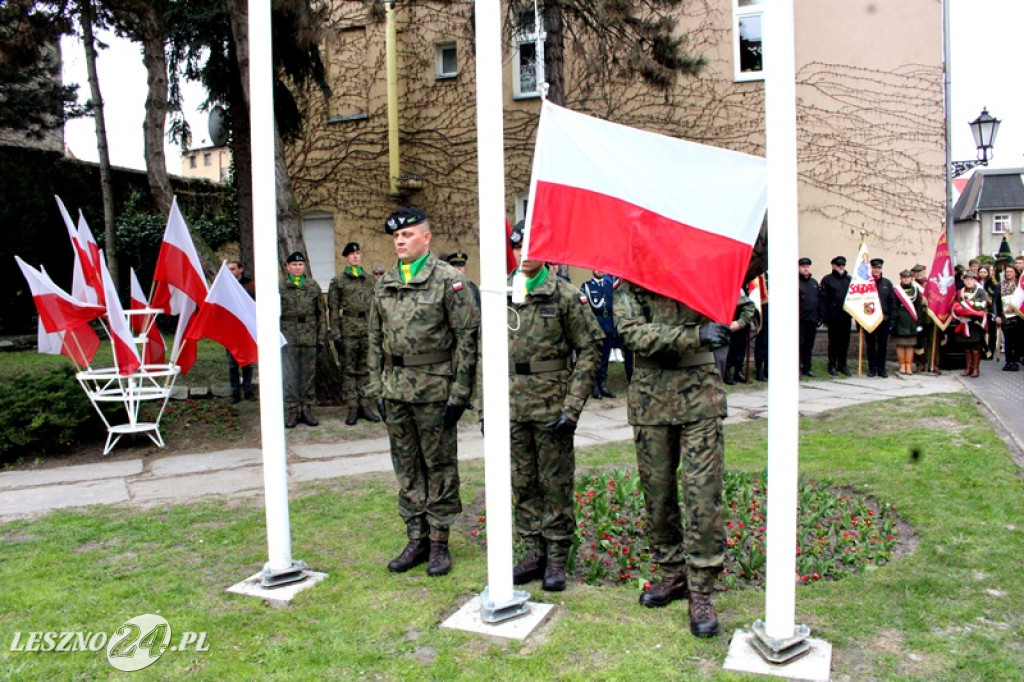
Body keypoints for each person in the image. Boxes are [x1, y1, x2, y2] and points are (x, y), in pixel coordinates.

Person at [614, 281, 735, 638]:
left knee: (702, 493)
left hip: (700, 398)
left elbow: (747, 283)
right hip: (651, 401)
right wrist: (696, 334)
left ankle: (701, 590)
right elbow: (635, 334)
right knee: (658, 494)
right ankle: (672, 574)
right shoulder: (630, 286)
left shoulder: (700, 272)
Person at [368, 207, 480, 578]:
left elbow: (467, 339)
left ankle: (438, 542)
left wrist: (460, 393)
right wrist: (376, 387)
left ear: (426, 238)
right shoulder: (384, 283)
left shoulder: (449, 281)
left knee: (440, 467)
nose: (400, 241)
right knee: (407, 467)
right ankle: (415, 538)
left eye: (408, 235)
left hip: (435, 390)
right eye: (396, 236)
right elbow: (374, 339)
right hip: (396, 390)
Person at [506, 226, 604, 591]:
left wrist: (573, 404)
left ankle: (557, 557)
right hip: (513, 406)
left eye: (531, 246)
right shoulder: (503, 291)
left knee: (555, 483)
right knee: (523, 482)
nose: (523, 253)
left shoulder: (565, 295)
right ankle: (533, 552)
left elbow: (591, 347)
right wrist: (487, 408)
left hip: (552, 405)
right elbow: (486, 350)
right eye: (517, 246)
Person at [328, 242, 380, 426]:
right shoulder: (338, 281)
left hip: (366, 328)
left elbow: (376, 306)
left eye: (358, 253)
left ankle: (365, 405)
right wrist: (336, 335)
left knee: (365, 368)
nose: (355, 256)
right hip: (348, 328)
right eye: (351, 254)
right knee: (349, 370)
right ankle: (352, 406)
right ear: (346, 257)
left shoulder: (369, 280)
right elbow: (333, 310)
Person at [280, 251, 325, 428]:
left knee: (308, 375)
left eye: (300, 265)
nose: (298, 268)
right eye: (294, 265)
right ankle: (292, 410)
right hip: (289, 337)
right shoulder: (281, 286)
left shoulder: (312, 286)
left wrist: (320, 338)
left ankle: (306, 409)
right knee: (290, 375)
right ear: (288, 267)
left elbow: (321, 313)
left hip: (309, 337)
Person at [581, 271, 618, 399]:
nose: (599, 270)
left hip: (608, 325)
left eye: (601, 268)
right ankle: (594, 386)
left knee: (605, 357)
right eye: (597, 268)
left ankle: (602, 384)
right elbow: (584, 308)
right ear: (592, 269)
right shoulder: (586, 286)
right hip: (594, 326)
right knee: (595, 357)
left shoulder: (610, 286)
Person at [951, 269, 990, 377]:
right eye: (967, 280)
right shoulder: (960, 292)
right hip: (964, 322)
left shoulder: (980, 291)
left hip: (975, 323)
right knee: (966, 347)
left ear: (975, 281)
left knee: (975, 346)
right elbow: (956, 304)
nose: (968, 282)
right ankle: (968, 367)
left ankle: (976, 368)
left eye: (971, 280)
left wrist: (972, 309)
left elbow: (983, 304)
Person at [226, 260, 256, 403]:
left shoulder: (250, 285)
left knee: (246, 363)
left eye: (232, 269)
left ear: (240, 269)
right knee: (232, 364)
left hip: (246, 329)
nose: (230, 272)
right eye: (228, 270)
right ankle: (235, 393)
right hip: (230, 330)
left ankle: (248, 391)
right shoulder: (224, 286)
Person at [863, 258, 897, 378]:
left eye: (879, 268)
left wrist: (892, 321)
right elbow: (860, 301)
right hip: (870, 319)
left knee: (883, 346)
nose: (877, 270)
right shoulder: (865, 282)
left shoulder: (887, 283)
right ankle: (872, 369)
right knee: (871, 346)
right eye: (875, 268)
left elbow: (893, 303)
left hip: (884, 320)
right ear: (871, 268)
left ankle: (882, 369)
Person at [819, 255, 852, 376]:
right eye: (838, 265)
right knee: (833, 342)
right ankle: (832, 365)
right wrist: (824, 316)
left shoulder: (849, 280)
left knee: (845, 342)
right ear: (833, 266)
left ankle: (842, 365)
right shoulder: (827, 280)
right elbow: (822, 299)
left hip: (846, 316)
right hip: (833, 317)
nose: (841, 267)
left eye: (843, 265)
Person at [892, 270, 927, 375]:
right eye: (904, 277)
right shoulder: (896, 290)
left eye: (908, 277)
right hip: (899, 320)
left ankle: (908, 366)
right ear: (901, 278)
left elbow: (919, 308)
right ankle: (902, 365)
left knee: (910, 345)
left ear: (911, 278)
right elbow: (893, 306)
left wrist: (919, 322)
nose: (906, 279)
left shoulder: (915, 290)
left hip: (912, 321)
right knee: (900, 345)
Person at [911, 264, 936, 373]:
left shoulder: (931, 284)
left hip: (931, 315)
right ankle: (920, 364)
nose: (919, 274)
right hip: (918, 316)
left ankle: (933, 364)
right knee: (919, 341)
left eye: (921, 272)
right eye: (917, 272)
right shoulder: (912, 285)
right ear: (914, 274)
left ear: (924, 272)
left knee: (932, 341)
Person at [798, 257, 820, 377]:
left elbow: (819, 299)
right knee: (799, 345)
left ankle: (807, 367)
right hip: (800, 320)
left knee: (809, 344)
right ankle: (798, 368)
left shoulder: (814, 283)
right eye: (803, 267)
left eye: (807, 267)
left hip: (812, 318)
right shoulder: (795, 282)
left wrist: (819, 316)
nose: (806, 269)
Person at [998, 264, 1021, 371]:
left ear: (1015, 273)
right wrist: (997, 316)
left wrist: (1014, 308)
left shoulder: (1020, 285)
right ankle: (1008, 361)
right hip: (1006, 317)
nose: (1009, 274)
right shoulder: (1001, 285)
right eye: (1007, 272)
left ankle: (1015, 361)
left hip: (1018, 316)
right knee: (1008, 340)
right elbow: (996, 302)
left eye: (1011, 271)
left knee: (1017, 340)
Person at [977, 264, 1001, 361]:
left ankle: (989, 352)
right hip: (979, 311)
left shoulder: (993, 284)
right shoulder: (976, 282)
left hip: (989, 311)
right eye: (981, 272)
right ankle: (982, 351)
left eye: (984, 272)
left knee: (991, 332)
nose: (982, 274)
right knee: (981, 332)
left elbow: (993, 298)